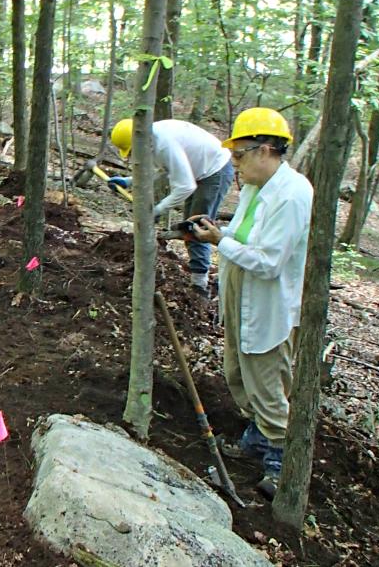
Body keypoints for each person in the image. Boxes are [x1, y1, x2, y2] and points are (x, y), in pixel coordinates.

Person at [187, 107, 312, 499]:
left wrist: (218, 242)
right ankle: (257, 436)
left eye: (239, 156)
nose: (235, 166)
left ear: (267, 150)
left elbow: (270, 261)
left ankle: (279, 458)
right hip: (241, 293)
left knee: (266, 379)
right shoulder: (258, 189)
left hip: (267, 300)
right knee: (237, 370)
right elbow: (243, 239)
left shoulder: (292, 195)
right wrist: (218, 233)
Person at [107, 118, 235, 294]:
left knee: (197, 227)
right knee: (191, 226)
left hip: (215, 170)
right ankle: (199, 277)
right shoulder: (152, 139)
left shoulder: (164, 144)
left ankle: (200, 285)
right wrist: (129, 181)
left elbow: (185, 185)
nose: (131, 155)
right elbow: (163, 169)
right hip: (199, 170)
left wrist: (159, 209)